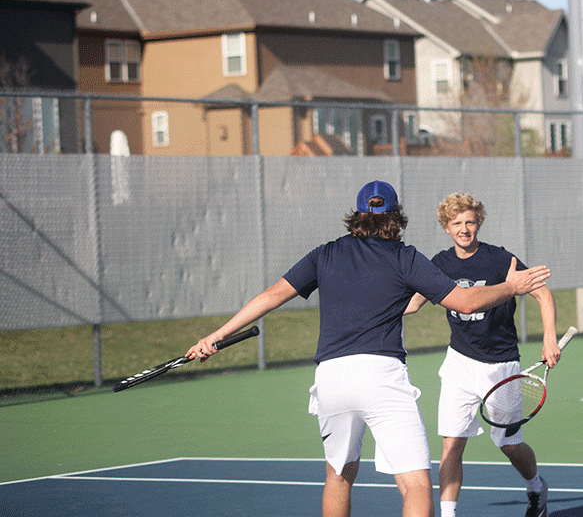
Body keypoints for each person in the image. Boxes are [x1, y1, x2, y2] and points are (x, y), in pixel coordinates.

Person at [187, 181, 551, 517]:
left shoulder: (324, 254)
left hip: (331, 379)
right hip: (380, 378)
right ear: (396, 218)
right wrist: (511, 286)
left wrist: (215, 337)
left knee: (339, 477)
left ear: (357, 216)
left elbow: (270, 297)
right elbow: (467, 302)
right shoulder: (404, 257)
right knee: (416, 486)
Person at [405, 192, 560, 517]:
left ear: (478, 223)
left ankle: (536, 487)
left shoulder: (500, 260)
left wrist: (549, 338)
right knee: (452, 444)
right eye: (457, 223)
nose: (464, 229)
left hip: (502, 366)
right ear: (446, 227)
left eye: (470, 222)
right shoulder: (440, 263)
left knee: (508, 443)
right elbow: (414, 303)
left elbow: (543, 294)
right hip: (459, 364)